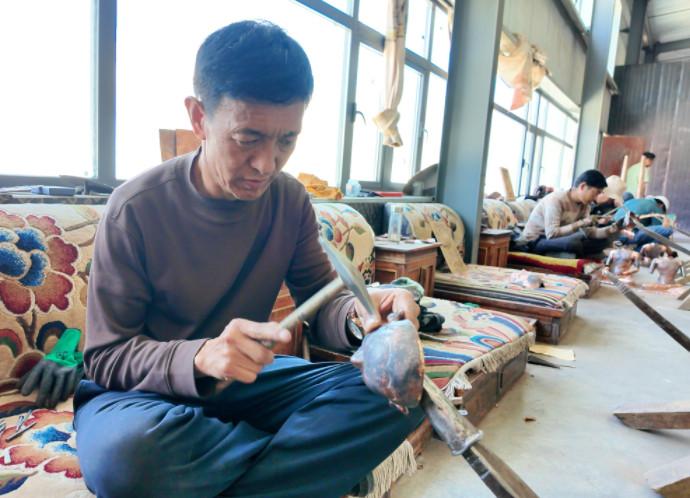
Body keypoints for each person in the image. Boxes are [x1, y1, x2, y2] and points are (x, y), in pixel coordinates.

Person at [74, 21, 424, 498]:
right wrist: (199, 356)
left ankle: (225, 467)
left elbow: (323, 304)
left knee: (396, 395)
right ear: (199, 117)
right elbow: (106, 356)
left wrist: (361, 315)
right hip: (143, 400)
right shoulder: (134, 208)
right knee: (128, 460)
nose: (266, 164)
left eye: (286, 140)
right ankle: (298, 470)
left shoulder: (290, 201)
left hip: (244, 384)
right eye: (247, 138)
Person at [515, 170, 619, 258]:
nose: (597, 197)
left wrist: (609, 230)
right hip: (537, 240)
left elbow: (588, 231)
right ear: (582, 186)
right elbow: (552, 234)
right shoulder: (556, 200)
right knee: (574, 243)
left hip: (562, 239)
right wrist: (582, 223)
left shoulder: (585, 205)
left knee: (605, 241)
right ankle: (577, 255)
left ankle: (574, 254)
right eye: (596, 192)